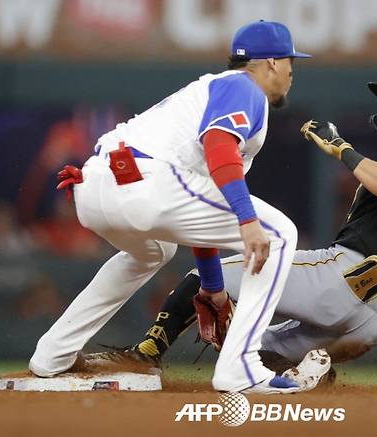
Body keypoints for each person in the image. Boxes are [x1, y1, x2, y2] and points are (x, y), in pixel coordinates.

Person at [89, 63, 377, 391]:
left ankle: (146, 354)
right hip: (376, 322)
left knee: (205, 277)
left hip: (343, 280)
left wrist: (341, 149)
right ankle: (308, 373)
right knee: (251, 353)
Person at [28, 20, 325, 394]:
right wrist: (248, 220)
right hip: (147, 184)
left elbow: (199, 208)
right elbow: (218, 146)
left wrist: (213, 287)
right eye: (289, 63)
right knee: (280, 234)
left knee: (153, 251)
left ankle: (52, 354)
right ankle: (241, 368)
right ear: (269, 63)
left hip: (97, 184)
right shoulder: (243, 87)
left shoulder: (209, 91)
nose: (291, 73)